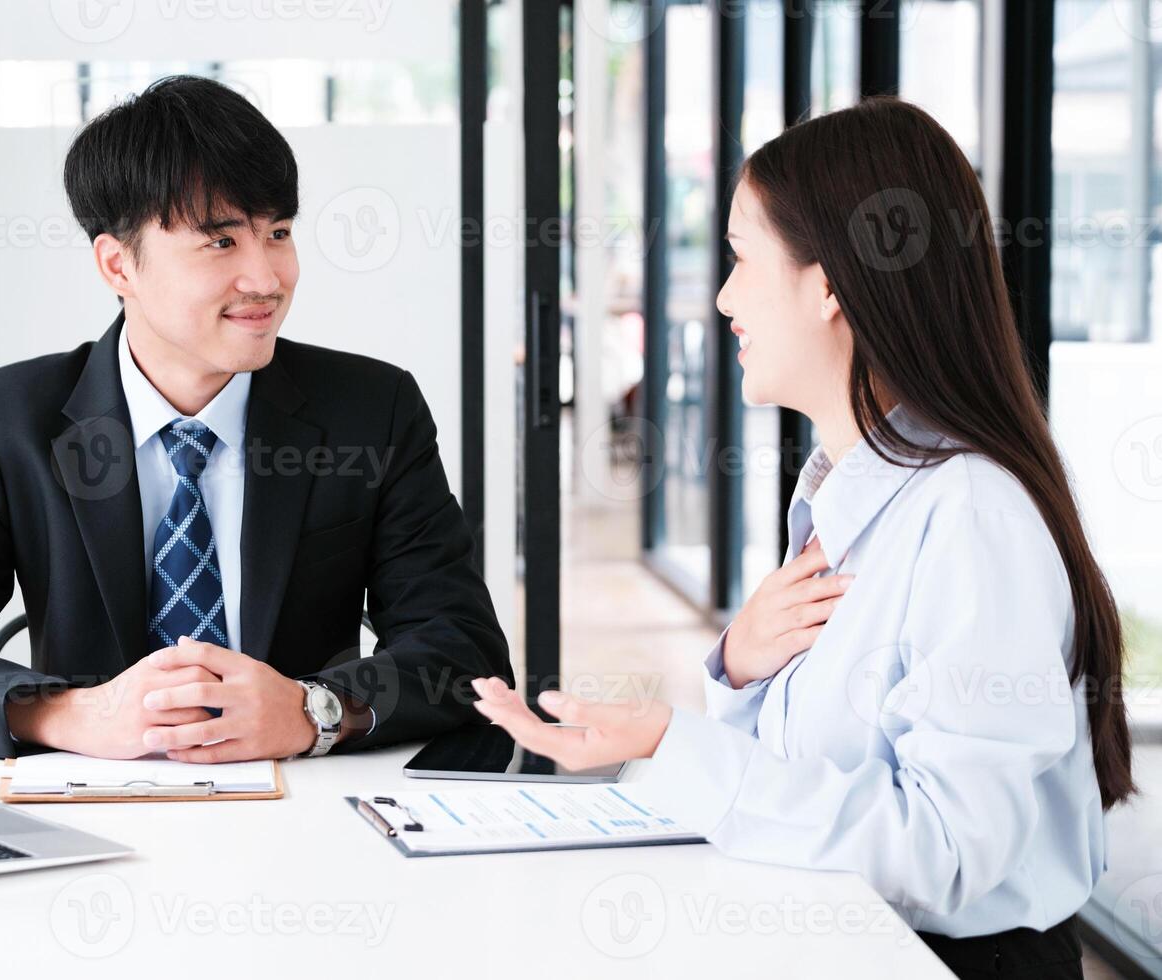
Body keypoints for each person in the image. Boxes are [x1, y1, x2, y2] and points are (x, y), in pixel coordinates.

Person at [470, 97, 1132, 980]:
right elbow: (816, 780)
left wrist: (671, 743)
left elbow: (947, 855)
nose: (722, 295)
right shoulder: (843, 494)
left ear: (829, 286)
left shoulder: (969, 517)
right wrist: (740, 670)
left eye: (742, 259)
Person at [0, 74, 510, 765]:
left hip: (303, 813)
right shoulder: (6, 420)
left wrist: (314, 711)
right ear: (118, 264)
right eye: (221, 243)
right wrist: (73, 713)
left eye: (277, 232)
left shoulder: (371, 410)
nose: (267, 277)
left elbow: (464, 654)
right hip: (88, 816)